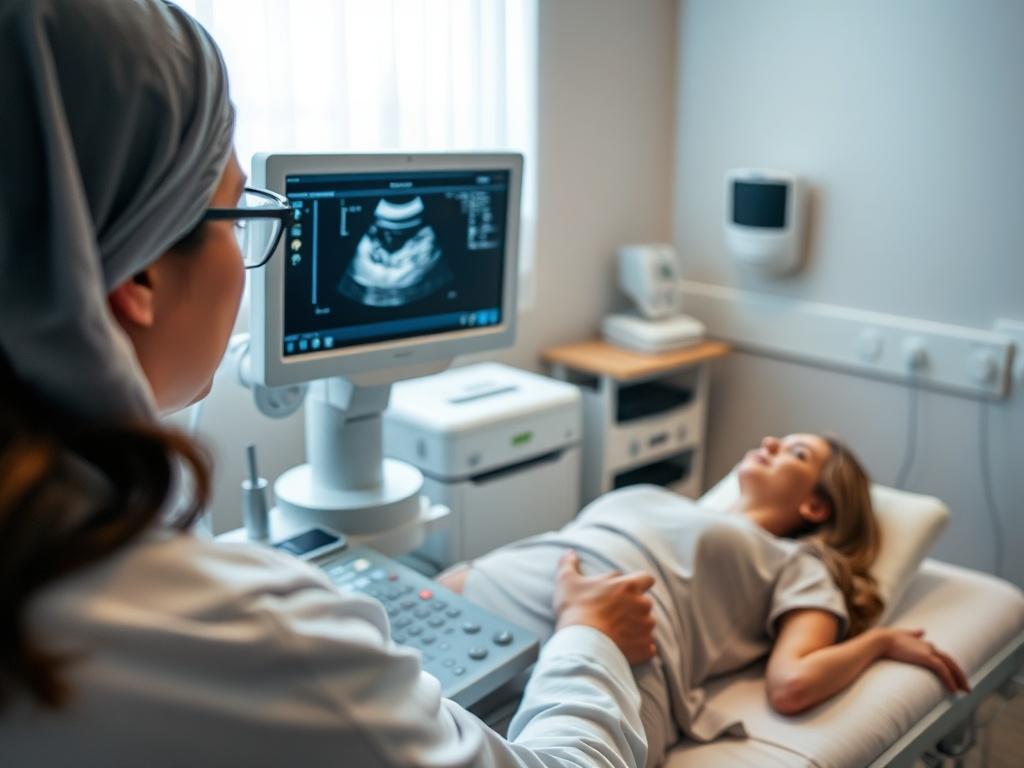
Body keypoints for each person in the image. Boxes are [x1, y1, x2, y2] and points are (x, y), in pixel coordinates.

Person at [0, 2, 659, 766]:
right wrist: (589, 636)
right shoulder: (251, 634)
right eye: (238, 213)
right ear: (139, 277)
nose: (251, 251)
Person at [438, 433, 971, 767]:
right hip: (492, 597)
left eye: (796, 452)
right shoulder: (678, 505)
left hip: (622, 650)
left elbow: (793, 684)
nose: (769, 442)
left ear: (814, 505)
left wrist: (876, 642)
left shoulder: (799, 564)